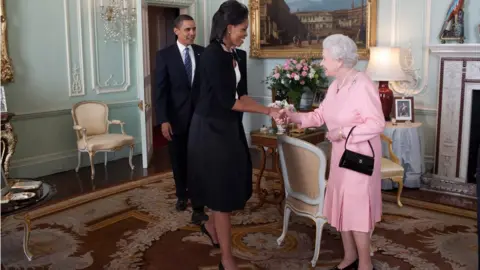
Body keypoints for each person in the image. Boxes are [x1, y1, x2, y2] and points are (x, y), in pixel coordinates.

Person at [278, 34, 385, 270]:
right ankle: (349, 257)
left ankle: (365, 264)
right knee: (343, 206)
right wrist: (293, 115)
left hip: (360, 158)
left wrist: (343, 132)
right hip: (339, 157)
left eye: (324, 58)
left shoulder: (363, 84)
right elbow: (320, 116)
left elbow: (377, 123)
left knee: (356, 210)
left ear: (338, 60)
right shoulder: (336, 85)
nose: (321, 62)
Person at [187, 1, 280, 269]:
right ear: (229, 28)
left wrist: (268, 108)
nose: (246, 34)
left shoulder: (236, 55)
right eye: (243, 29)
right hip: (210, 131)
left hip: (227, 128)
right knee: (221, 195)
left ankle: (212, 229)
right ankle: (227, 259)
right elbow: (230, 102)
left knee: (225, 186)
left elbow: (242, 95)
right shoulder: (212, 56)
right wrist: (268, 111)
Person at [155, 14, 207, 225]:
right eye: (187, 29)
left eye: (194, 29)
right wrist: (163, 120)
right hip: (175, 119)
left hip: (200, 118)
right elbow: (161, 91)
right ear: (176, 31)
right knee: (178, 159)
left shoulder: (203, 53)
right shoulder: (164, 55)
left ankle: (199, 198)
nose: (192, 33)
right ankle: (181, 195)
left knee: (199, 160)